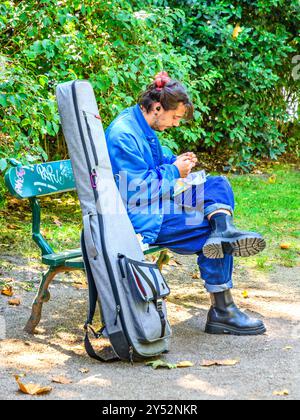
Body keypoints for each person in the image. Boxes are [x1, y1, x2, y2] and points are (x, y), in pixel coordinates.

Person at [106, 71, 267, 336]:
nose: (176, 124)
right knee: (206, 231)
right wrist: (174, 172)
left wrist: (175, 161)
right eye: (175, 117)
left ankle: (222, 230)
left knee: (218, 185)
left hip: (158, 200)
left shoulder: (140, 123)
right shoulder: (124, 134)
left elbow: (154, 162)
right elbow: (134, 190)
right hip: (142, 215)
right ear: (158, 107)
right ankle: (223, 311)